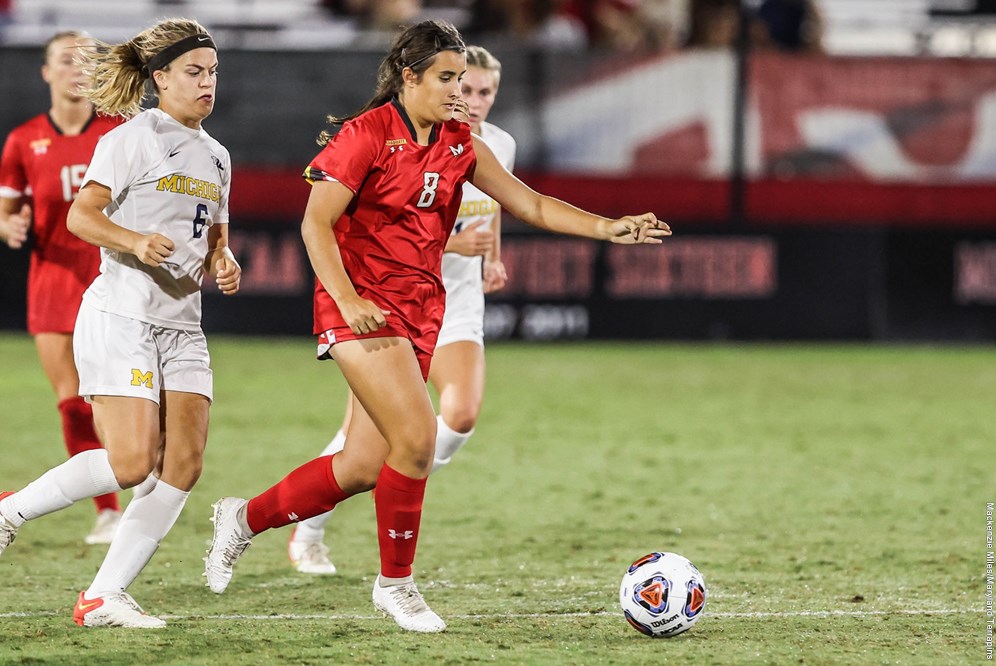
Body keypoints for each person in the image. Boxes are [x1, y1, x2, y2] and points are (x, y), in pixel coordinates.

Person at [204, 19, 668, 634]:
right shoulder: (364, 136)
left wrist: (607, 226)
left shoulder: (460, 143)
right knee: (419, 441)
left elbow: (528, 204)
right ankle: (396, 586)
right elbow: (315, 226)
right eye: (447, 79)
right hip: (361, 305)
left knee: (362, 466)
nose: (458, 90)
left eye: (463, 80)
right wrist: (345, 298)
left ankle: (241, 520)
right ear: (409, 77)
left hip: (422, 311)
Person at [0, 18, 241, 629]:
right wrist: (134, 240)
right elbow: (84, 216)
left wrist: (224, 259)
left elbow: (214, 235)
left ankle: (103, 595)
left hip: (183, 324)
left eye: (213, 71)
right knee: (133, 461)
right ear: (160, 77)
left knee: (183, 464)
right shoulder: (135, 137)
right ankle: (11, 510)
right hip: (123, 314)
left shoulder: (217, 155)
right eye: (194, 71)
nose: (207, 82)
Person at [285, 44, 515, 576]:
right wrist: (447, 249)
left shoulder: (495, 144)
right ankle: (315, 525)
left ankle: (395, 486)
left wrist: (494, 258)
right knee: (368, 447)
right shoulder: (382, 136)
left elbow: (494, 205)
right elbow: (350, 222)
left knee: (456, 417)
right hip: (386, 302)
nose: (468, 97)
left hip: (455, 303)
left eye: (481, 90)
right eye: (459, 82)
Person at [0, 31, 123, 546]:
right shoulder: (24, 140)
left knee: (116, 399)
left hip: (112, 277)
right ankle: (108, 511)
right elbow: (7, 212)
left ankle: (137, 478)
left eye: (87, 62)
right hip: (52, 279)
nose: (77, 69)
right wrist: (9, 227)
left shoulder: (117, 133)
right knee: (72, 402)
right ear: (46, 72)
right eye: (66, 60)